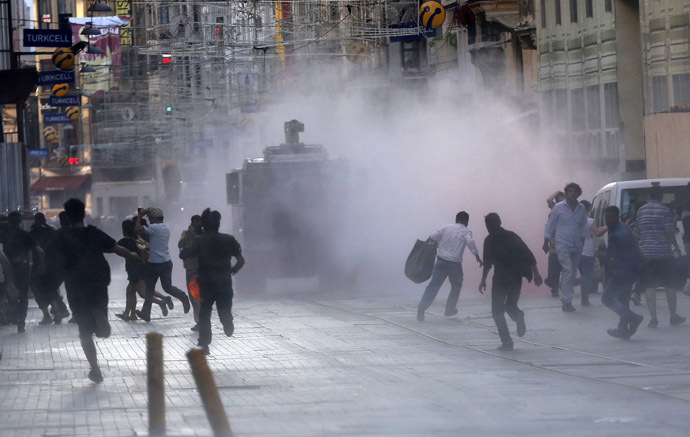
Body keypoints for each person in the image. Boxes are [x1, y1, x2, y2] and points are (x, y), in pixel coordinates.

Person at [53, 198, 141, 383]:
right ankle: (98, 314)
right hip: (98, 282)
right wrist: (132, 255)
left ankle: (95, 369)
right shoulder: (93, 233)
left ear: (67, 216)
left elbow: (54, 260)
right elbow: (117, 249)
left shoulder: (62, 237)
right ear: (84, 214)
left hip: (76, 285)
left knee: (84, 331)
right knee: (103, 333)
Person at [180, 208, 244, 355]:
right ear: (218, 224)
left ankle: (205, 342)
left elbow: (183, 253)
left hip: (206, 284)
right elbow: (241, 260)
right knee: (224, 309)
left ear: (203, 225)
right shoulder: (229, 239)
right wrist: (232, 270)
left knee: (205, 313)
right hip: (224, 283)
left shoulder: (199, 240)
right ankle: (227, 321)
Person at [479, 213, 542, 351]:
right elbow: (529, 255)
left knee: (497, 311)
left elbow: (487, 263)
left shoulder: (489, 240)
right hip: (514, 277)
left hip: (501, 278)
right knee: (510, 306)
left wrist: (483, 280)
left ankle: (507, 342)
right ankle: (518, 316)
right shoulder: (512, 236)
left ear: (490, 225)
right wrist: (536, 274)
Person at [634, 185, 686, 328]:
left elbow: (637, 232)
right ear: (661, 197)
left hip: (647, 255)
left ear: (650, 196)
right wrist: (675, 246)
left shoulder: (641, 211)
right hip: (663, 253)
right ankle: (673, 316)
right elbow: (669, 232)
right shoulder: (665, 210)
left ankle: (654, 318)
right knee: (670, 285)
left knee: (650, 287)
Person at [417, 211, 482, 321]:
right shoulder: (466, 231)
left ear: (456, 219)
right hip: (454, 265)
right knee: (456, 286)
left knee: (433, 286)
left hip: (441, 262)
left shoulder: (445, 228)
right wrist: (477, 256)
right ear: (466, 221)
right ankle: (450, 309)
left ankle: (421, 308)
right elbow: (470, 242)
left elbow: (432, 236)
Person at [135, 207, 191, 322]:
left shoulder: (154, 228)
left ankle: (147, 312)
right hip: (166, 263)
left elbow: (137, 229)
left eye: (150, 218)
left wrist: (140, 215)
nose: (149, 220)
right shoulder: (165, 227)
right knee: (166, 287)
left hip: (154, 264)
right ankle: (182, 297)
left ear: (153, 218)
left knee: (150, 289)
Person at [543, 183, 588, 312]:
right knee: (568, 270)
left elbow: (584, 226)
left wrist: (582, 241)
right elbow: (550, 225)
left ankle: (567, 299)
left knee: (572, 273)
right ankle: (566, 301)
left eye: (575, 191)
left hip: (577, 245)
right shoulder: (558, 208)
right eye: (570, 191)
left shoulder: (581, 208)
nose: (572, 193)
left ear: (578, 194)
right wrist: (546, 241)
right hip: (562, 244)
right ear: (566, 193)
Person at [601, 206, 645, 339]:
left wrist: (598, 253)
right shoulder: (621, 227)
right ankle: (623, 329)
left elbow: (609, 255)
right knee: (623, 299)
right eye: (606, 217)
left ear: (616, 217)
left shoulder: (616, 234)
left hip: (624, 270)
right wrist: (641, 259)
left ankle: (633, 317)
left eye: (610, 217)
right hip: (632, 268)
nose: (607, 220)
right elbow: (635, 245)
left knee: (607, 298)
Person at [115, 219, 170, 321]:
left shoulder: (124, 241)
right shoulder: (138, 241)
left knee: (143, 292)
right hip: (142, 268)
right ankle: (130, 315)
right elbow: (147, 249)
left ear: (124, 231)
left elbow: (113, 247)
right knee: (130, 291)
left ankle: (161, 302)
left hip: (134, 270)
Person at [0, 211, 45, 332]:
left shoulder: (3, 235)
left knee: (9, 292)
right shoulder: (25, 234)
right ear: (20, 221)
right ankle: (21, 322)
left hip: (7, 269)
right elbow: (40, 251)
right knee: (23, 295)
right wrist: (41, 265)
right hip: (23, 267)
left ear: (9, 221)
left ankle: (13, 314)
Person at [29, 213, 70, 324]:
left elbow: (32, 250)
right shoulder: (52, 231)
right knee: (50, 289)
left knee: (38, 289)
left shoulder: (32, 233)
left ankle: (48, 314)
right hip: (53, 266)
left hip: (39, 266)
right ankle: (58, 311)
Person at [178, 215, 203, 331]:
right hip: (189, 268)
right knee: (194, 297)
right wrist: (189, 233)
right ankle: (200, 321)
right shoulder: (186, 233)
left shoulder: (203, 235)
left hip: (199, 269)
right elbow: (180, 245)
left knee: (196, 295)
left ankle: (201, 321)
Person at [544, 191, 565, 297]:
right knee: (555, 268)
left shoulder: (570, 209)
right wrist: (558, 191)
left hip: (566, 244)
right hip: (555, 245)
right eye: (559, 201)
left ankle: (565, 287)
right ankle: (555, 288)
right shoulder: (555, 210)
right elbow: (548, 200)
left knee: (566, 269)